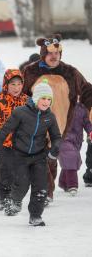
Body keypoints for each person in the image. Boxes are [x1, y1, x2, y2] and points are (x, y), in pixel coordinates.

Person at [22, 34, 92, 203]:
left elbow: (88, 91)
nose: (54, 57)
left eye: (57, 54)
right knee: (41, 159)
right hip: (37, 123)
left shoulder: (70, 72)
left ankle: (48, 187)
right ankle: (45, 192)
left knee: (51, 159)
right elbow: (20, 94)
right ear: (43, 54)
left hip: (61, 125)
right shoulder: (31, 71)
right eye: (50, 54)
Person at [0, 79, 61, 226]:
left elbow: (56, 137)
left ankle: (35, 216)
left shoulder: (50, 117)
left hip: (39, 156)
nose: (46, 102)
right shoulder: (21, 113)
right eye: (43, 98)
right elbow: (4, 131)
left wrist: (55, 149)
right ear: (36, 98)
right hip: (20, 155)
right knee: (22, 184)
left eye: (49, 99)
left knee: (41, 187)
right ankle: (13, 202)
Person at [0, 69, 28, 210]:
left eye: (19, 84)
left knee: (20, 174)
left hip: (22, 144)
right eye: (12, 84)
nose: (16, 88)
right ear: (5, 84)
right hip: (3, 143)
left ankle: (14, 198)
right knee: (6, 172)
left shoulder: (27, 101)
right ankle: (2, 198)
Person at [58, 101, 92, 196]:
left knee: (72, 159)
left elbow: (87, 123)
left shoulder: (82, 109)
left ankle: (63, 182)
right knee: (70, 156)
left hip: (76, 140)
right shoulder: (61, 105)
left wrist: (91, 131)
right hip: (63, 137)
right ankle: (72, 185)